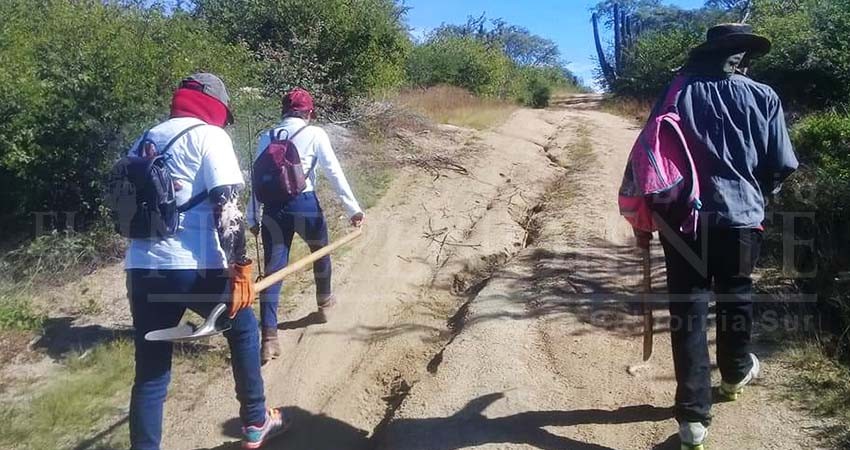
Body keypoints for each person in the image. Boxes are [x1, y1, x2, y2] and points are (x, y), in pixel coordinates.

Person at [638, 24, 798, 450]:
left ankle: (692, 419)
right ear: (743, 56)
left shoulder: (678, 91)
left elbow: (650, 154)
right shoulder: (764, 96)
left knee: (687, 309)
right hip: (742, 218)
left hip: (682, 219)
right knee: (736, 295)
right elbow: (781, 163)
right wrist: (753, 190)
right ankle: (735, 371)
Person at [124, 73, 288, 450]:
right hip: (196, 267)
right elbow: (227, 206)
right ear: (215, 105)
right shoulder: (210, 136)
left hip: (141, 268)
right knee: (244, 327)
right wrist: (241, 269)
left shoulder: (147, 137)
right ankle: (255, 421)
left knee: (150, 374)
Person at [247, 87, 364, 364]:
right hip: (304, 203)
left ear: (283, 111)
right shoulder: (315, 134)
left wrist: (252, 215)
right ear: (309, 112)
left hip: (273, 209)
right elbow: (333, 171)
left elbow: (256, 179)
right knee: (320, 251)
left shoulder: (267, 136)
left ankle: (269, 338)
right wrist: (353, 209)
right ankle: (324, 301)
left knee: (274, 270)